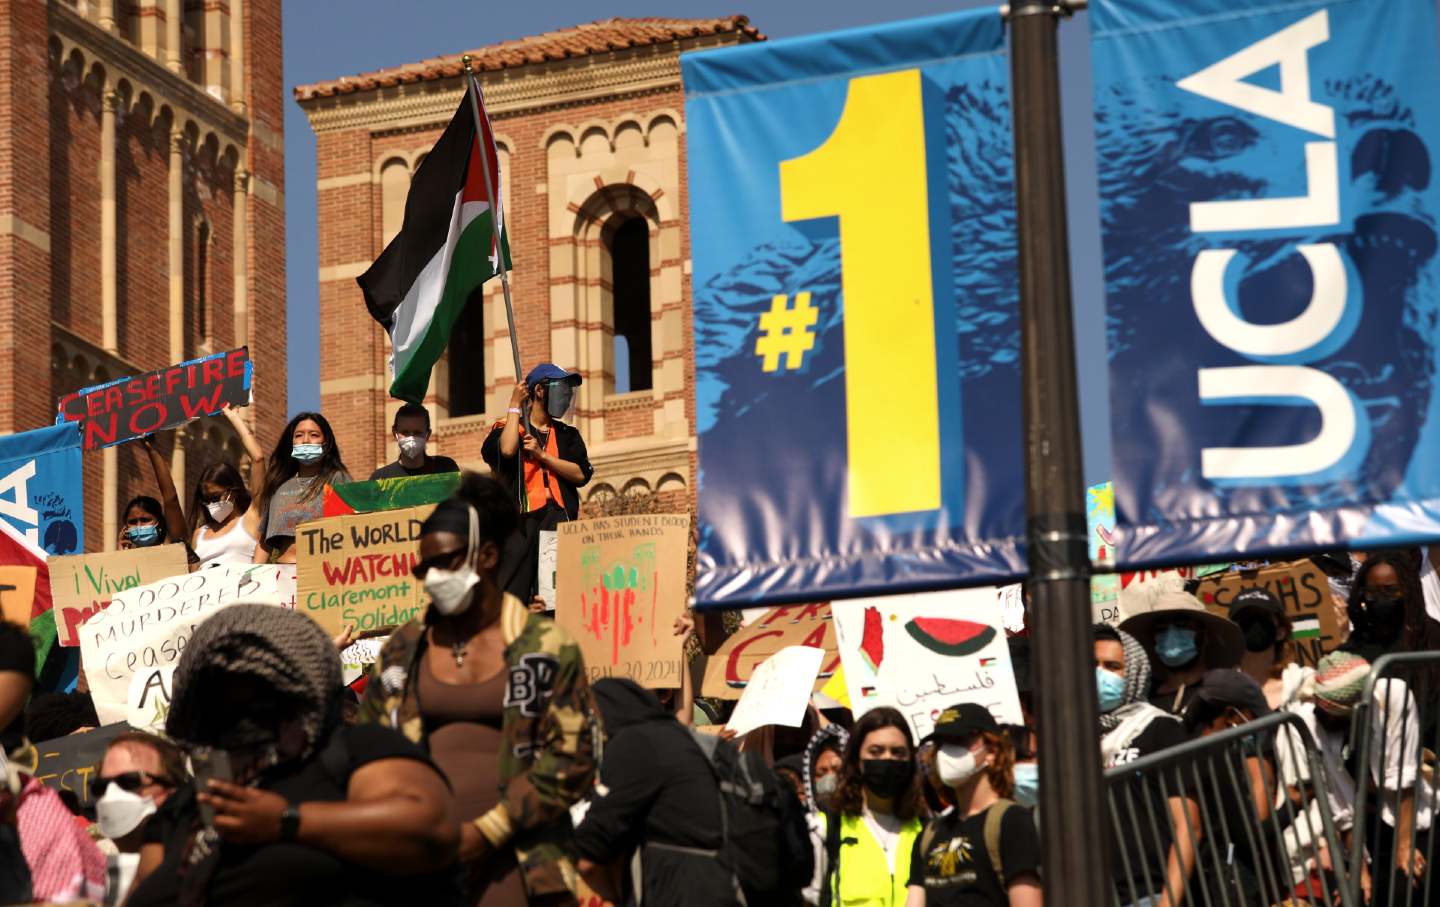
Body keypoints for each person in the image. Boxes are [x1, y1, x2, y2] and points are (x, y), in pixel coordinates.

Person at [357, 472, 598, 905]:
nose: (432, 578)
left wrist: (490, 830)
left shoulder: (544, 645)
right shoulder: (401, 651)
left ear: (486, 555)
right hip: (422, 874)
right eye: (424, 567)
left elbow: (574, 755)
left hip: (524, 872)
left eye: (444, 563)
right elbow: (370, 749)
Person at [127, 603, 462, 906]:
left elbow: (431, 828)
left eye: (257, 693)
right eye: (217, 697)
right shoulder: (186, 806)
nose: (235, 710)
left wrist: (286, 821)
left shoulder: (353, 750)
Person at [574, 678, 731, 906]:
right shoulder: (680, 738)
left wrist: (620, 898)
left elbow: (588, 858)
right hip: (720, 886)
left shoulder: (634, 743)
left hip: (676, 892)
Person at [1096, 624, 1200, 907]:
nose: (1099, 674)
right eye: (1093, 664)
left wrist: (1168, 901)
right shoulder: (1077, 740)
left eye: (1112, 666)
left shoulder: (1159, 728)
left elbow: (1188, 825)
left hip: (1150, 893)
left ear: (1135, 673)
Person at [905, 703, 1042, 907]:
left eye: (959, 740)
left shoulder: (1011, 821)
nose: (946, 752)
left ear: (992, 750)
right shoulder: (929, 834)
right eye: (941, 743)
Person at [482, 364, 593, 599]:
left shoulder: (567, 434)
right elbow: (508, 450)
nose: (567, 396)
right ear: (540, 391)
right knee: (514, 595)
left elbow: (581, 474)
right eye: (563, 388)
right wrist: (514, 405)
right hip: (520, 524)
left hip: (556, 520)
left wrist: (543, 456)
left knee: (552, 598)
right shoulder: (509, 428)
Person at [1274, 651, 1370, 902]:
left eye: (1330, 713)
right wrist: (1352, 862)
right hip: (1339, 836)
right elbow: (1330, 797)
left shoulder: (1378, 716)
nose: (1321, 715)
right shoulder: (1305, 724)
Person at [819, 706, 923, 907]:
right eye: (876, 752)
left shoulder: (927, 831)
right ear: (857, 759)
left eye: (898, 752)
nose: (887, 759)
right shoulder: (828, 827)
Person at [94, 731, 186, 901]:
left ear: (172, 790)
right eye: (101, 786)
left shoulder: (195, 869)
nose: (111, 794)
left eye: (129, 781)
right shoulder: (83, 877)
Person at [1120, 590, 1245, 714]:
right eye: (1161, 628)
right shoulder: (1140, 701)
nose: (1171, 635)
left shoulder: (1224, 693)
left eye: (1182, 624)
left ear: (1204, 635)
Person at [253, 412, 351, 563]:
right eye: (298, 435)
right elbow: (264, 542)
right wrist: (254, 573)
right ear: (291, 442)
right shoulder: (279, 485)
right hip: (283, 575)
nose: (305, 440)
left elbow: (350, 529)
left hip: (323, 571)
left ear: (325, 442)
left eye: (314, 435)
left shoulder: (336, 479)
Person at [186, 406, 267, 567]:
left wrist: (235, 419)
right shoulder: (199, 534)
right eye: (206, 500)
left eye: (215, 497)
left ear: (233, 491)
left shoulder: (250, 519)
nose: (211, 504)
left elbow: (258, 459)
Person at [1225, 588, 1294, 705]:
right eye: (1245, 618)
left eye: (1262, 617)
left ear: (1280, 633)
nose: (1253, 624)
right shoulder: (1221, 692)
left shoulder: (1302, 685)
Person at [371, 403, 460, 480]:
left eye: (417, 433)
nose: (411, 438)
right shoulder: (381, 478)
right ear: (395, 434)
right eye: (405, 432)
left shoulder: (445, 469)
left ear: (427, 435)